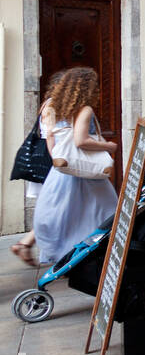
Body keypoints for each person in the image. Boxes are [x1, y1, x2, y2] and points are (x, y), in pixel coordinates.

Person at [32, 67, 118, 265]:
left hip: (61, 171)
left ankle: (67, 257)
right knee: (102, 213)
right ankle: (94, 255)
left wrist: (60, 161)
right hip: (87, 173)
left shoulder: (50, 106)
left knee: (65, 217)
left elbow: (50, 138)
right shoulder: (85, 109)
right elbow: (81, 141)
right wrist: (108, 145)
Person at [10, 71, 64, 266]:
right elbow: (50, 135)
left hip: (46, 162)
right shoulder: (51, 105)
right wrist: (56, 159)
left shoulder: (49, 103)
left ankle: (29, 243)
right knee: (53, 208)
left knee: (52, 208)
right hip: (46, 163)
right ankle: (27, 243)